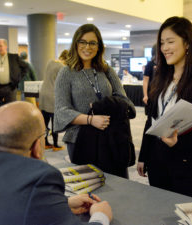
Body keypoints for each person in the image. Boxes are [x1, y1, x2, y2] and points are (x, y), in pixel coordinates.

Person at [0, 101, 112, 225]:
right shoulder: (40, 179)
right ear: (36, 146)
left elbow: (0, 199)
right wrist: (101, 216)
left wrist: (60, 203)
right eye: (44, 133)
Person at [54, 24, 133, 178]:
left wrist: (103, 106)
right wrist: (90, 119)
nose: (87, 47)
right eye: (82, 42)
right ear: (76, 44)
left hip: (112, 136)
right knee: (90, 188)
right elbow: (61, 110)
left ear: (99, 46)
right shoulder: (66, 72)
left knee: (119, 184)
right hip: (81, 139)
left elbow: (125, 101)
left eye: (92, 43)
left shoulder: (106, 70)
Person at [137, 17, 192, 199]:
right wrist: (143, 156)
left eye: (170, 42)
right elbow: (151, 120)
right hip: (157, 160)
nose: (164, 48)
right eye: (162, 43)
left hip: (187, 164)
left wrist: (179, 143)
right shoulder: (161, 78)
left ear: (187, 43)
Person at [39, 50, 68, 150]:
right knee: (55, 122)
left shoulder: (50, 62)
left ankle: (46, 143)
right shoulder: (62, 67)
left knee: (45, 122)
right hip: (53, 96)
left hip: (43, 93)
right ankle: (56, 145)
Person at [0, 39, 27, 111]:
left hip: (10, 88)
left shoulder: (14, 57)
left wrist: (18, 78)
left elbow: (25, 67)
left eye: (0, 46)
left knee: (11, 110)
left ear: (6, 46)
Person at [142, 44, 157, 114]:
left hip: (162, 92)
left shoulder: (167, 64)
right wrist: (145, 95)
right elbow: (145, 81)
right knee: (151, 116)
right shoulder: (150, 64)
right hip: (151, 93)